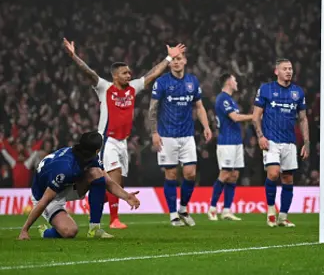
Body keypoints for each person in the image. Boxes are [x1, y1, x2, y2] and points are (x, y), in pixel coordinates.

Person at [63, 38, 184, 229]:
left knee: (115, 184)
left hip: (123, 142)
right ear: (115, 76)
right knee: (116, 178)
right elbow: (89, 72)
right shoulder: (104, 88)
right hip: (107, 141)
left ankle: (93, 199)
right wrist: (74, 56)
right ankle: (114, 220)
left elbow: (152, 74)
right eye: (125, 73)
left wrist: (169, 57)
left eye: (129, 72)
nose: (129, 75)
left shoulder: (132, 89)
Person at [18, 131, 140, 240]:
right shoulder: (66, 168)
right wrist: (24, 230)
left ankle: (94, 229)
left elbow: (107, 181)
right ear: (97, 150)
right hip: (44, 194)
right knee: (70, 232)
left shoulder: (87, 155)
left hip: (65, 186)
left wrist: (127, 197)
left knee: (97, 174)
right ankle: (45, 232)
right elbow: (44, 200)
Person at [149, 46, 212, 226]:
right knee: (171, 174)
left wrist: (206, 126)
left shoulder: (192, 81)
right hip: (167, 135)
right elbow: (153, 108)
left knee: (190, 174)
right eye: (173, 59)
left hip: (187, 135)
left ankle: (183, 208)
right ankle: (173, 214)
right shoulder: (161, 82)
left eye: (180, 59)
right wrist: (154, 132)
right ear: (170, 63)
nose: (177, 62)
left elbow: (199, 107)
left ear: (185, 61)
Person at [253, 58, 309, 228]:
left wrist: (306, 142)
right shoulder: (266, 89)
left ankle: (283, 217)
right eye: (285, 68)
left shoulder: (298, 92)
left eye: (290, 68)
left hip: (290, 142)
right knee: (273, 173)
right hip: (271, 140)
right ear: (276, 71)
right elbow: (256, 116)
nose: (289, 71)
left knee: (288, 178)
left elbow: (303, 119)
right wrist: (260, 136)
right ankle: (271, 211)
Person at [208, 73, 253, 221]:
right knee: (225, 174)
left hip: (236, 142)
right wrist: (254, 116)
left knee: (234, 176)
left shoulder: (231, 100)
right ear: (228, 82)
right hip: (226, 142)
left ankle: (226, 210)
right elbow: (235, 118)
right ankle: (212, 208)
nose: (236, 82)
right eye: (234, 80)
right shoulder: (222, 98)